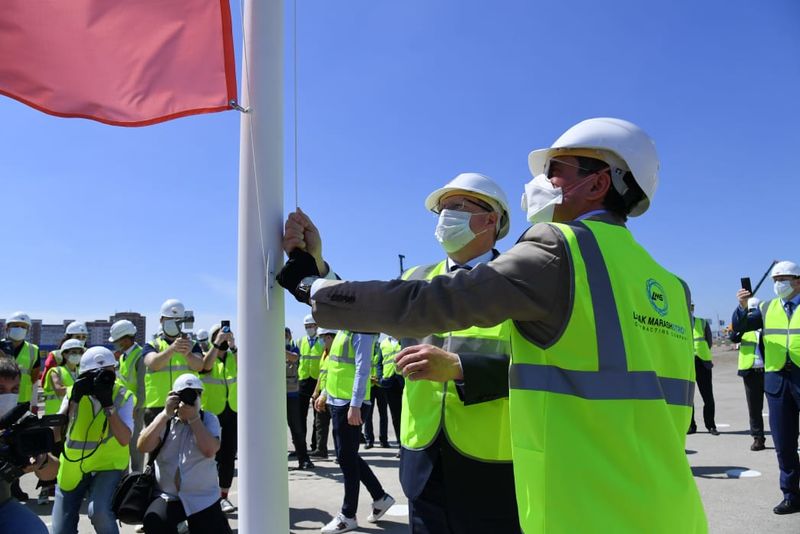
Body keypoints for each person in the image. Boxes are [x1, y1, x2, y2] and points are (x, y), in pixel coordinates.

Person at [279, 118, 707, 533]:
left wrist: (309, 286)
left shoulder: (556, 252)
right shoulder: (671, 288)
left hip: (571, 498)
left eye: (555, 170)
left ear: (597, 184)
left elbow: (422, 305)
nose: (541, 183)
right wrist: (322, 271)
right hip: (664, 504)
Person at [295, 172, 521, 534]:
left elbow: (543, 367)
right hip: (422, 458)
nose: (445, 217)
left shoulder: (516, 281)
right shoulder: (418, 276)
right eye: (441, 209)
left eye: (457, 207)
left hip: (491, 462)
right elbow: (365, 308)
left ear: (490, 219)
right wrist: (318, 265)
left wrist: (461, 368)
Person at [732, 260, 800, 515]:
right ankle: (791, 495)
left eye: (783, 279)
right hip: (777, 381)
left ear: (798, 281)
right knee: (784, 443)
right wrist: (742, 307)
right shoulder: (767, 307)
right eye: (775, 280)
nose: (779, 284)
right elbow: (740, 328)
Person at [314, 329, 394, 533]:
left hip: (350, 403)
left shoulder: (360, 329)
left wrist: (356, 404)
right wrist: (325, 393)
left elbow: (362, 368)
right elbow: (335, 368)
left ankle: (348, 515)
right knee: (347, 455)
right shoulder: (344, 330)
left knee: (346, 458)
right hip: (338, 400)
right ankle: (380, 497)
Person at [52, 346, 134, 534]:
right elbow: (56, 434)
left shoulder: (123, 396)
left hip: (108, 464)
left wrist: (108, 405)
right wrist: (73, 401)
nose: (100, 380)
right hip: (73, 466)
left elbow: (124, 439)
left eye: (106, 374)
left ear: (114, 371)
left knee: (99, 512)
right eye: (93, 375)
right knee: (61, 529)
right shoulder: (73, 393)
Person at [138, 374, 232, 534]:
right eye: (184, 394)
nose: (190, 398)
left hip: (203, 497)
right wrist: (164, 414)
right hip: (167, 496)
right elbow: (143, 446)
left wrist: (194, 419)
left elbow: (209, 450)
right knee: (154, 522)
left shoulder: (209, 419)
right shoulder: (164, 421)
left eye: (196, 394)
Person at [0, 356, 57, 533]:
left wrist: (42, 461)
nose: (8, 396)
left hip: (3, 502)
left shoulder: (21, 420)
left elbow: (51, 472)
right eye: (1, 390)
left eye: (14, 389)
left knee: (35, 530)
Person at [141, 299, 206, 427]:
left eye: (177, 320)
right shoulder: (152, 345)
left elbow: (199, 366)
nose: (174, 323)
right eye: (170, 319)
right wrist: (172, 349)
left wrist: (188, 354)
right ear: (161, 320)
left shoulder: (192, 345)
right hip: (157, 406)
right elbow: (153, 364)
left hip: (186, 404)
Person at [1, 311, 42, 501]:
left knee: (17, 447)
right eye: (16, 326)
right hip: (2, 401)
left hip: (20, 405)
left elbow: (34, 379)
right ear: (7, 328)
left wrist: (33, 404)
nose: (19, 329)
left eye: (24, 327)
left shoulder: (33, 350)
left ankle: (13, 485)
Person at [37, 338, 84, 504]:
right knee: (51, 454)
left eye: (79, 352)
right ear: (64, 354)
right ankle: (44, 489)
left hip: (73, 419)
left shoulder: (81, 372)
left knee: (69, 453)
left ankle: (66, 488)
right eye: (73, 352)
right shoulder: (55, 371)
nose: (76, 355)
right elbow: (59, 389)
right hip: (55, 419)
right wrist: (81, 388)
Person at [200, 323, 239, 513]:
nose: (223, 337)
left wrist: (233, 345)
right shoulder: (207, 355)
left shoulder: (233, 355)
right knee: (209, 457)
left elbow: (245, 366)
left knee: (228, 456)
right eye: (219, 335)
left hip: (232, 411)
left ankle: (223, 496)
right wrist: (217, 344)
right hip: (211, 413)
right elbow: (205, 367)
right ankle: (207, 495)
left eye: (226, 334)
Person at [729, 297, 766, 451]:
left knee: (779, 406)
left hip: (770, 371)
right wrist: (742, 317)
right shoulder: (743, 326)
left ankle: (783, 436)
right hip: (750, 372)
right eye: (750, 311)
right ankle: (758, 438)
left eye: (755, 310)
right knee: (754, 408)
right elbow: (733, 337)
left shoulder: (767, 325)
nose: (753, 314)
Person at [109, 319, 147, 472]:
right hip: (123, 406)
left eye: (116, 341)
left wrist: (135, 408)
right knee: (122, 445)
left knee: (135, 448)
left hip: (135, 410)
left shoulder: (140, 356)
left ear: (125, 339)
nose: (115, 344)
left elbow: (142, 389)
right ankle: (123, 479)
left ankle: (136, 478)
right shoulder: (123, 357)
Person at [286, 328, 314, 470]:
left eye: (286, 335)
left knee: (297, 428)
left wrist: (278, 349)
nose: (284, 338)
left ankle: (304, 459)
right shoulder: (270, 350)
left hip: (291, 394)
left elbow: (294, 358)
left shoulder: (293, 348)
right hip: (275, 396)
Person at [688, 303, 717, 435]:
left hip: (703, 363)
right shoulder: (681, 323)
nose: (691, 309)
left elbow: (709, 342)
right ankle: (691, 426)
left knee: (708, 396)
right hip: (687, 363)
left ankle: (711, 426)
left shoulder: (702, 323)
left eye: (692, 306)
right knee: (689, 398)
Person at [298, 314, 325, 453]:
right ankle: (301, 446)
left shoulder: (322, 341)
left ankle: (316, 445)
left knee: (317, 416)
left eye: (310, 326)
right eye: (306, 326)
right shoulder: (300, 341)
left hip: (317, 381)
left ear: (316, 326)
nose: (308, 329)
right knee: (300, 416)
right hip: (303, 380)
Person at [310, 328, 337, 459]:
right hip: (322, 393)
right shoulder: (324, 354)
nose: (320, 341)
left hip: (333, 393)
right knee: (320, 423)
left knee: (337, 427)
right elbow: (321, 375)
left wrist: (324, 393)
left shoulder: (336, 354)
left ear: (329, 337)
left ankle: (340, 453)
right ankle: (321, 449)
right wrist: (316, 392)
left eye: (322, 338)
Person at [42, 321, 90, 387]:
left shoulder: (89, 354)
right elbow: (45, 381)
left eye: (84, 337)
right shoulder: (56, 355)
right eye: (77, 337)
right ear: (68, 338)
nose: (81, 340)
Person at [377, 335, 403, 450]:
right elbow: (379, 363)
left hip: (404, 381)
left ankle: (408, 444)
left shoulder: (405, 339)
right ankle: (400, 445)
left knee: (408, 414)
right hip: (389, 383)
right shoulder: (383, 343)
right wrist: (380, 378)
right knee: (395, 416)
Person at [362, 342, 386, 449]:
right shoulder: (366, 348)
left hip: (380, 385)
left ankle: (383, 440)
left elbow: (384, 365)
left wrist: (380, 378)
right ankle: (369, 440)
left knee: (383, 414)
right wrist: (369, 378)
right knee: (368, 414)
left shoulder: (382, 348)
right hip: (369, 385)